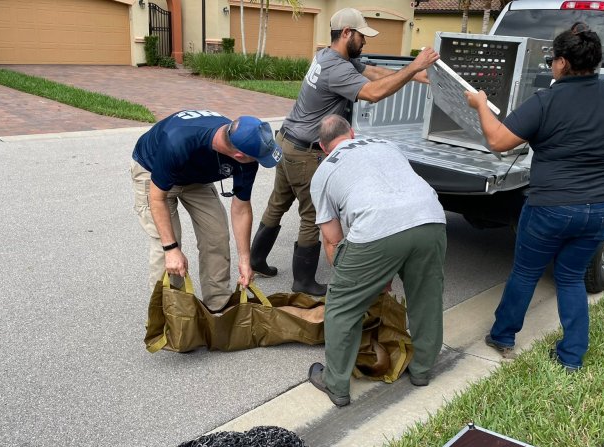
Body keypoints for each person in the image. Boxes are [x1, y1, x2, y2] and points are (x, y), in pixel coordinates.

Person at [465, 23, 604, 372]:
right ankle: (571, 356)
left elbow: (499, 142)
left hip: (551, 206)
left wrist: (479, 104)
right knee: (570, 276)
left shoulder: (545, 101)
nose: (552, 65)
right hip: (602, 208)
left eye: (553, 59)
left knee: (525, 272)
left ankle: (503, 336)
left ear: (563, 63)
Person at [249, 7, 441, 296]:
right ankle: (303, 281)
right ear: (347, 33)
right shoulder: (337, 68)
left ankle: (256, 260)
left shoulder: (329, 56)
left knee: (277, 203)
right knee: (312, 215)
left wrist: (415, 76)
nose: (365, 42)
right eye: (362, 36)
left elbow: (373, 72)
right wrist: (413, 67)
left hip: (287, 141)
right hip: (305, 152)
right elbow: (373, 93)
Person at [306, 115, 447, 407]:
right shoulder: (386, 145)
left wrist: (356, 284)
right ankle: (421, 371)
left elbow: (333, 240)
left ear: (323, 146)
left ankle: (336, 384)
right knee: (426, 297)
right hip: (431, 218)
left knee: (342, 306)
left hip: (376, 228)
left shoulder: (323, 172)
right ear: (352, 133)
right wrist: (381, 273)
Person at [131, 109, 282, 311]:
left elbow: (241, 208)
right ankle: (169, 315)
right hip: (153, 172)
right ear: (239, 155)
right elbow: (157, 198)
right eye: (258, 158)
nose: (259, 162)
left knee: (217, 235)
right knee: (166, 246)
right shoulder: (178, 141)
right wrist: (171, 249)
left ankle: (218, 304)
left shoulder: (245, 152)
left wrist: (246, 261)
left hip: (195, 177)